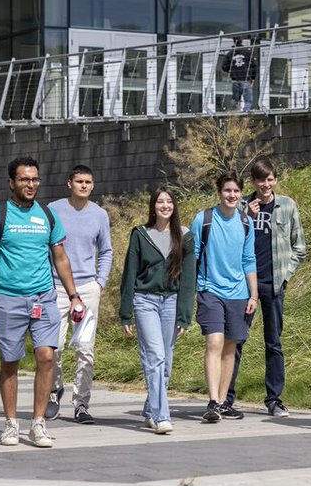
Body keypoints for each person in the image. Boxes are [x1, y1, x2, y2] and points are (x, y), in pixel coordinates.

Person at [0, 157, 82, 449]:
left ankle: (37, 424)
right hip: (8, 298)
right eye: (24, 179)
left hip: (44, 297)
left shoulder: (46, 215)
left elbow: (60, 257)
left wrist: (73, 295)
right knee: (11, 362)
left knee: (46, 357)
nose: (30, 185)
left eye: (34, 179)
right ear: (12, 183)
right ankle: (10, 424)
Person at [225, 157, 306, 417]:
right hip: (244, 284)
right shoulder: (241, 208)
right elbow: (230, 242)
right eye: (261, 179)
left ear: (276, 180)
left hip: (273, 283)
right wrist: (246, 216)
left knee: (273, 342)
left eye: (270, 179)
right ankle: (225, 398)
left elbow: (299, 247)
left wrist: (285, 275)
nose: (266, 184)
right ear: (253, 182)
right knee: (236, 340)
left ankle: (274, 399)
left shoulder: (288, 206)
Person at [120, 188, 196, 435]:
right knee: (155, 357)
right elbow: (129, 273)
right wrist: (125, 312)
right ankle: (162, 416)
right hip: (145, 301)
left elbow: (188, 280)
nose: (165, 205)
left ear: (174, 206)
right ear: (153, 206)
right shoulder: (140, 235)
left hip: (172, 302)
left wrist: (185, 314)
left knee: (166, 361)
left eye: (169, 201)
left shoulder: (184, 236)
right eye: (160, 201)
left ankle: (150, 409)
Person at [47, 164, 113, 424]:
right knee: (53, 346)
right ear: (69, 184)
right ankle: (53, 391)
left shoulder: (100, 215)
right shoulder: (54, 210)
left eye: (88, 182)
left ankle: (81, 404)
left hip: (87, 289)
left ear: (93, 185)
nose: (84, 185)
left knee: (85, 349)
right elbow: (45, 247)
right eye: (79, 181)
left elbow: (106, 250)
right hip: (56, 287)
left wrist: (100, 282)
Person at [191, 171, 258, 422]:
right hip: (210, 291)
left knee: (231, 347)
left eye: (236, 191)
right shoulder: (204, 219)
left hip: (239, 294)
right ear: (219, 192)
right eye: (227, 190)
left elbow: (248, 259)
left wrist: (254, 295)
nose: (232, 195)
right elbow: (194, 255)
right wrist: (195, 289)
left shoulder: (245, 222)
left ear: (241, 194)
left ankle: (221, 402)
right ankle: (212, 401)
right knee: (215, 343)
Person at [222, 36, 257, 113]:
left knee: (236, 99)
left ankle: (236, 114)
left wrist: (232, 71)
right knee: (248, 100)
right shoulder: (248, 52)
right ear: (242, 41)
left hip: (235, 80)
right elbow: (254, 65)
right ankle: (246, 112)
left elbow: (224, 67)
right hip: (246, 79)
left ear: (234, 41)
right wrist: (253, 77)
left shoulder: (230, 53)